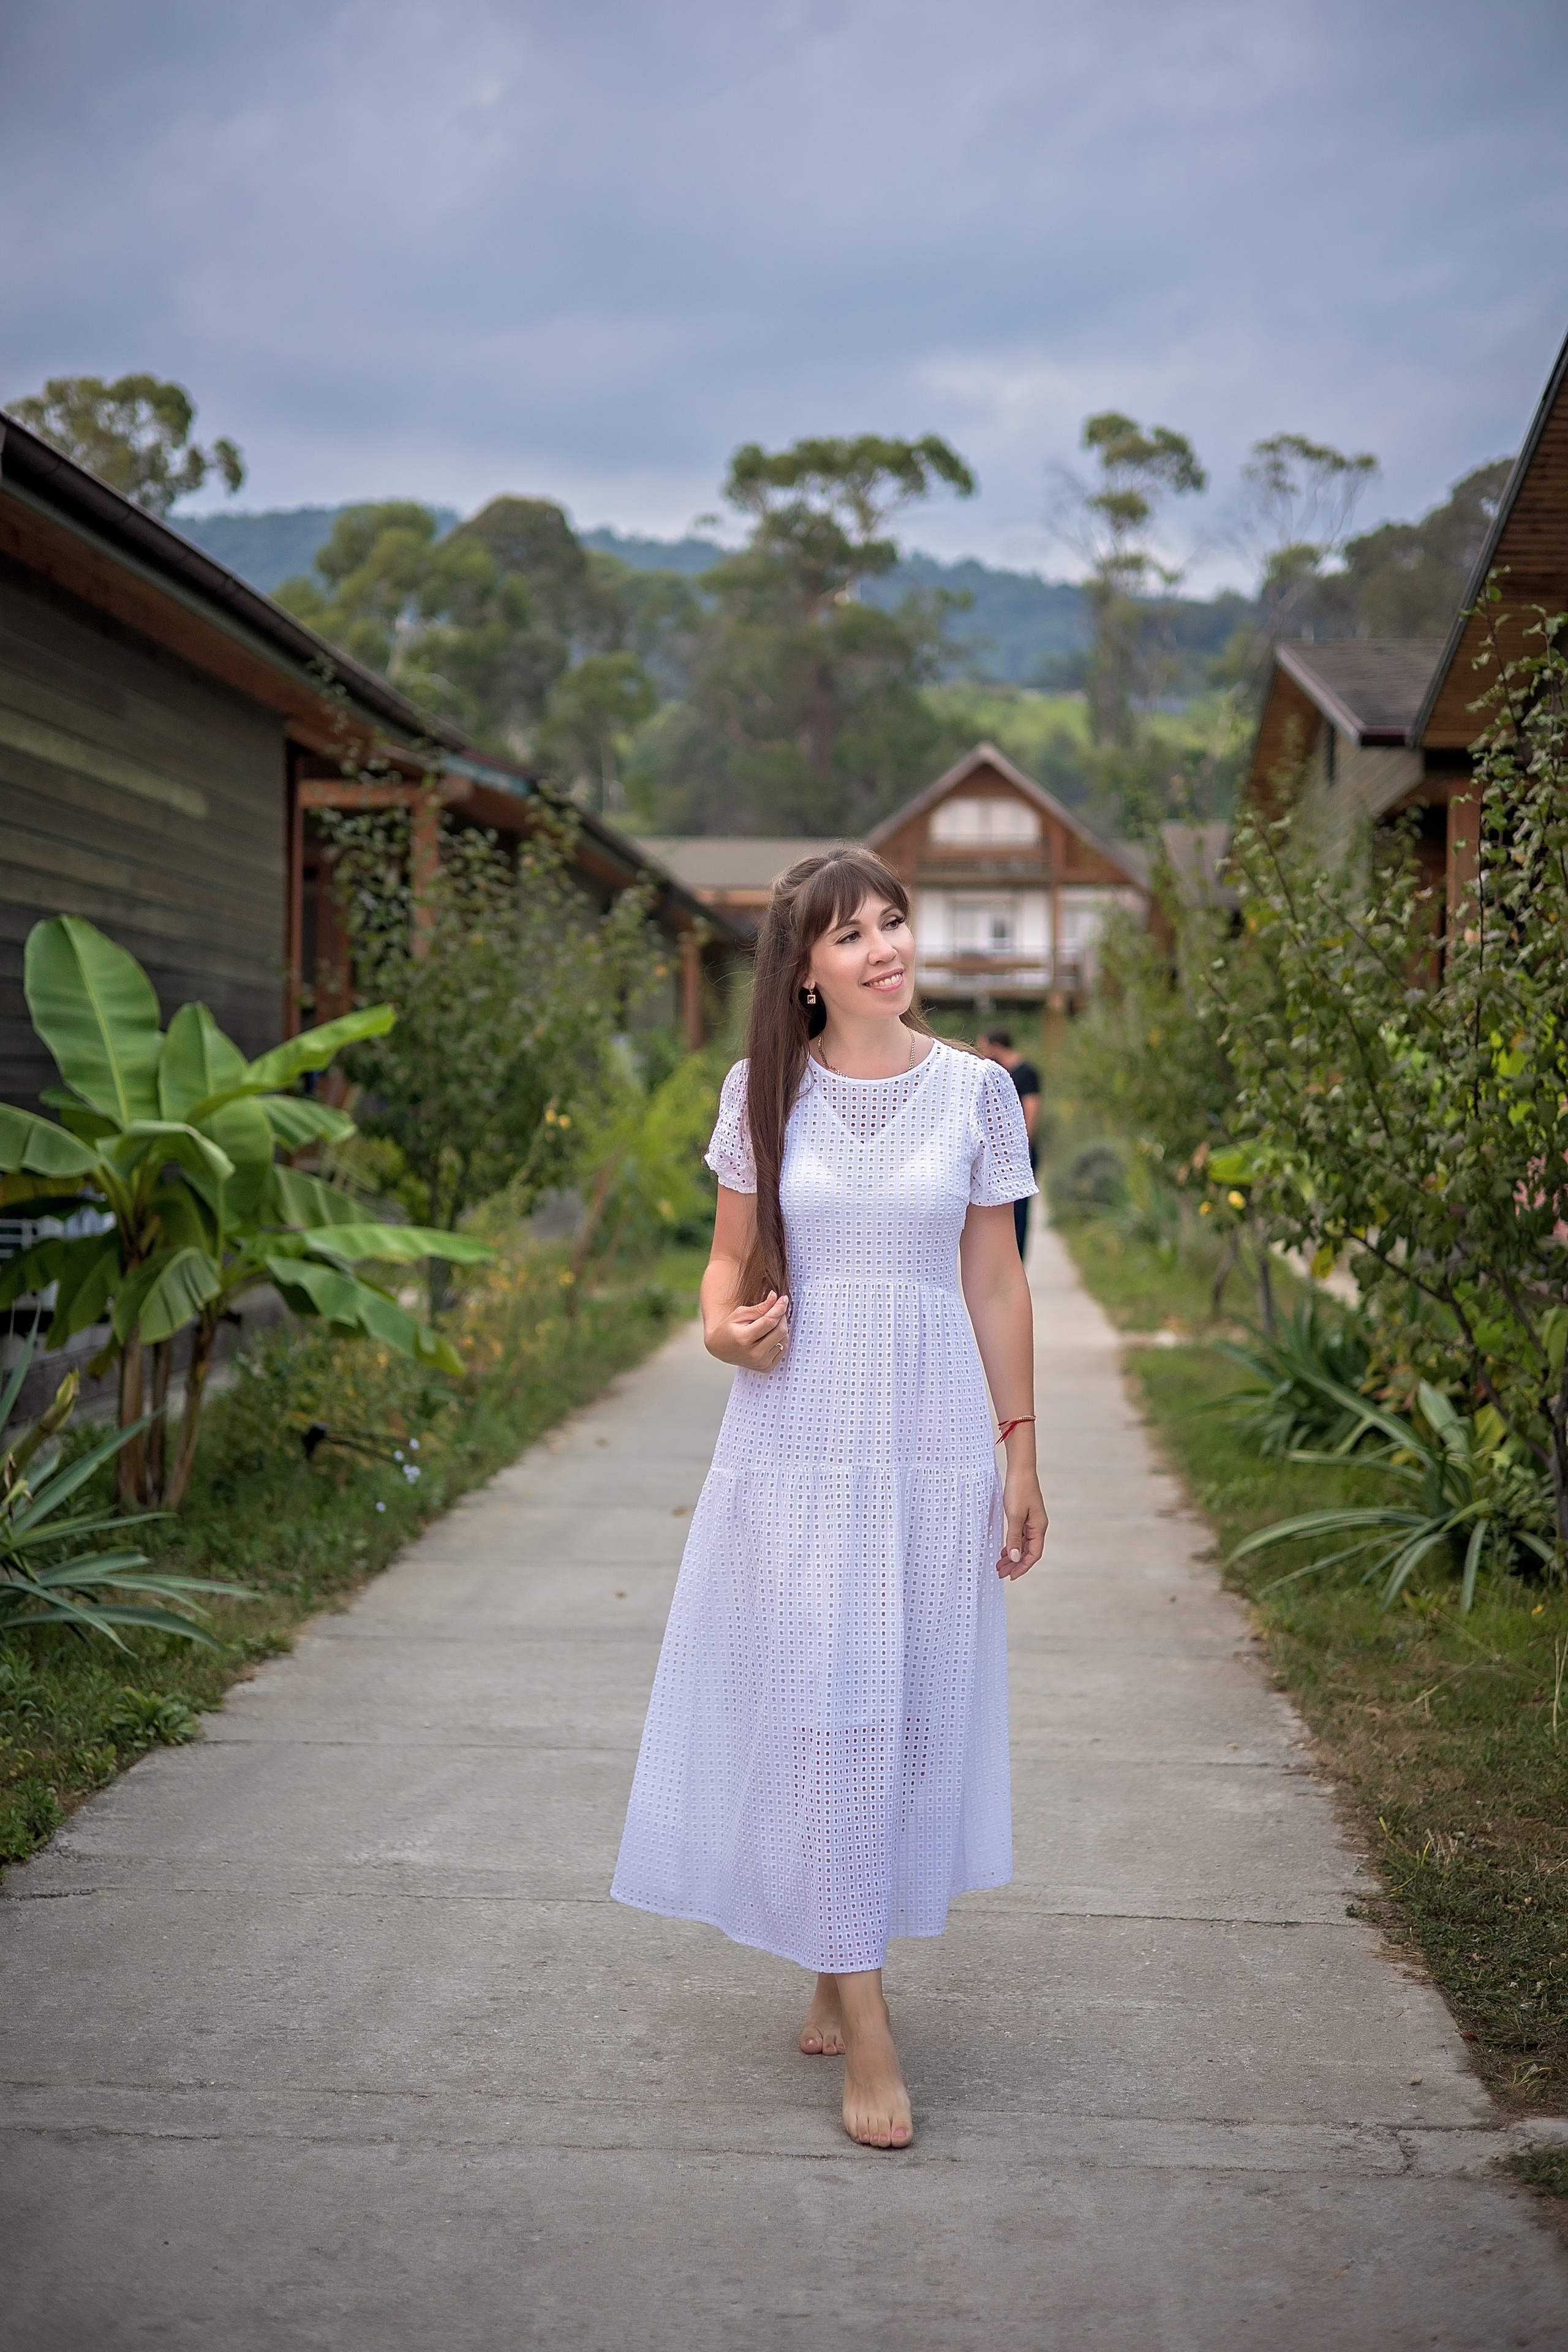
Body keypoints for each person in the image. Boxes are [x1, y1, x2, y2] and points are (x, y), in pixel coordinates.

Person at [612, 848, 1048, 2152]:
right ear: (802, 971)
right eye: (850, 934)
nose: (883, 947)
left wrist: (1019, 1453)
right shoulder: (765, 1091)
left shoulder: (976, 1093)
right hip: (796, 1445)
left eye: (893, 923)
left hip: (923, 1449)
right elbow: (723, 1268)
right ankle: (866, 2021)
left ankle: (830, 1942)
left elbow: (995, 1285)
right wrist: (720, 1334)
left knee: (897, 1705)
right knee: (826, 1706)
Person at [978, 1029, 1041, 1261]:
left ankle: (1017, 1261)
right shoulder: (992, 1073)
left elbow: (1031, 1110)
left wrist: (1020, 1149)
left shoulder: (1026, 1073)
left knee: (1020, 1210)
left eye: (984, 1046)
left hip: (1017, 1152)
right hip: (994, 1154)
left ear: (996, 1045)